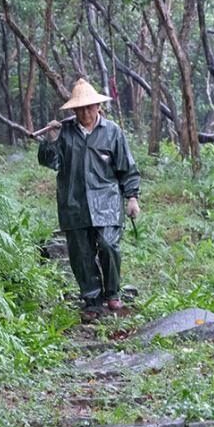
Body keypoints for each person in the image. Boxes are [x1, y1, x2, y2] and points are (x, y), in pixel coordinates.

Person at [38, 78, 140, 316]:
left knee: (108, 245)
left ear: (98, 107)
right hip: (74, 202)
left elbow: (127, 167)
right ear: (73, 110)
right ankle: (92, 298)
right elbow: (49, 162)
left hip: (107, 202)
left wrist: (132, 197)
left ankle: (112, 293)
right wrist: (50, 140)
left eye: (89, 107)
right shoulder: (64, 133)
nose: (85, 113)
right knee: (81, 253)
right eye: (80, 109)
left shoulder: (112, 132)